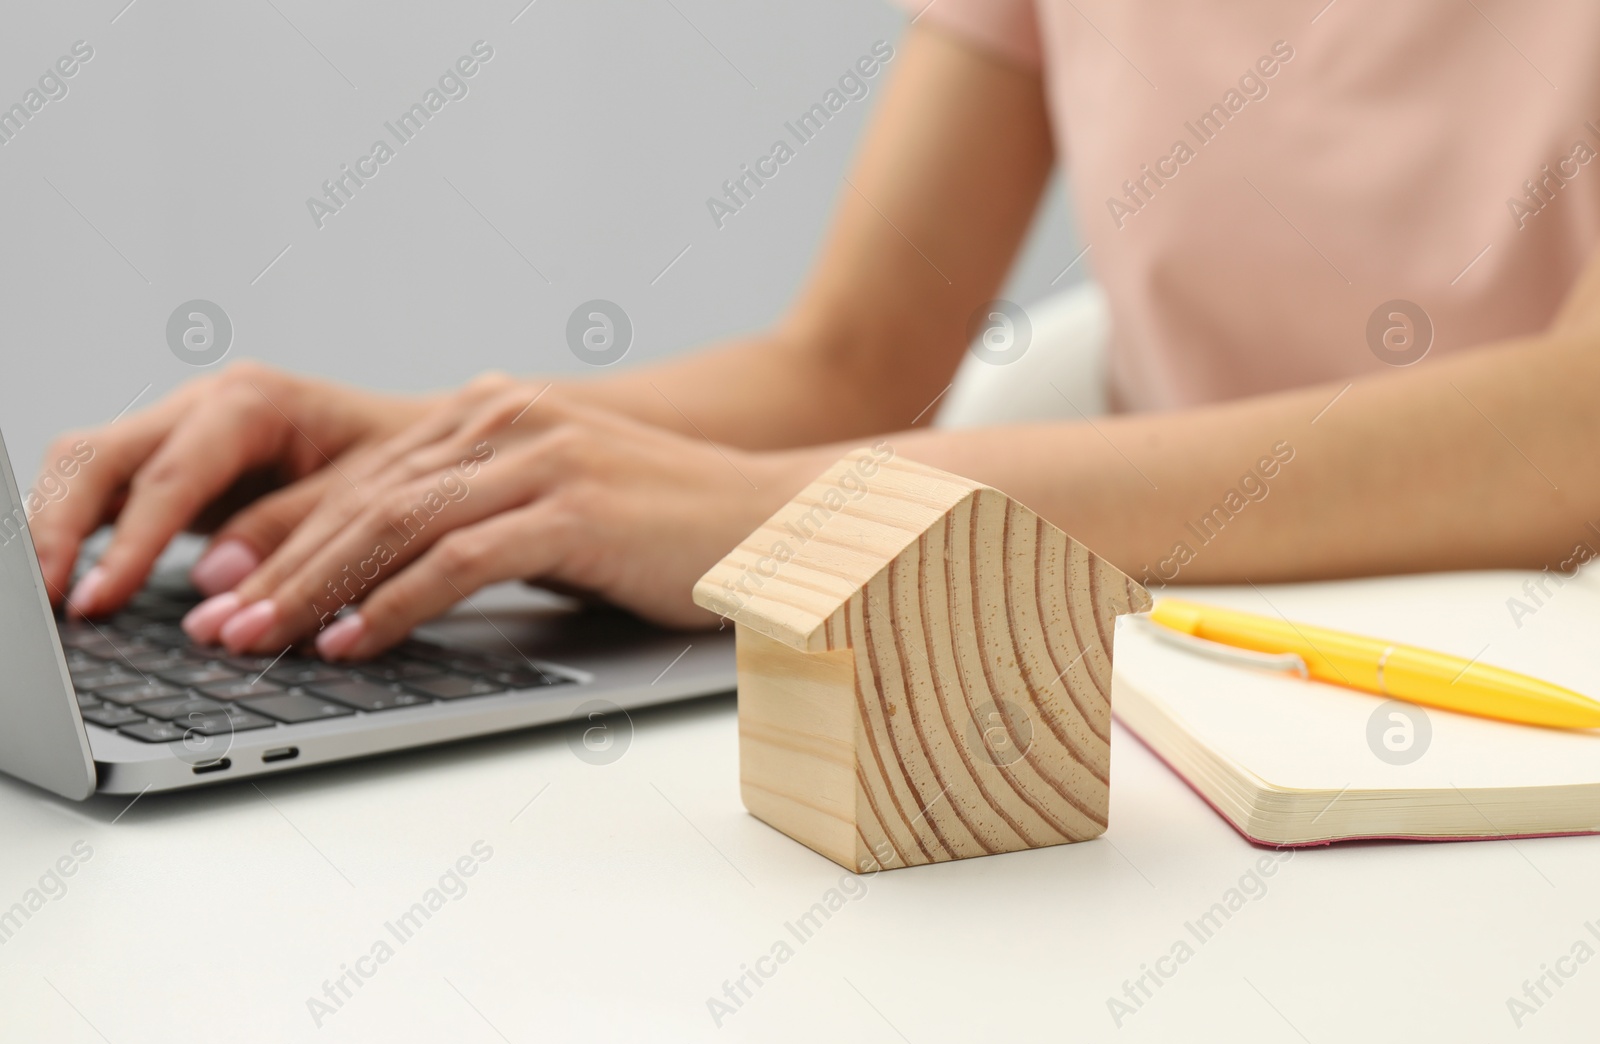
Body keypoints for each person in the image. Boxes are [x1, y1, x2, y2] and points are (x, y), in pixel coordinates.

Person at [28, 5, 1600, 662]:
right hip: (1166, 690)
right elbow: (852, 361)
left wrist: (811, 523)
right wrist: (440, 455)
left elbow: (1567, 438)